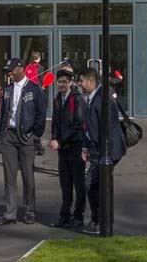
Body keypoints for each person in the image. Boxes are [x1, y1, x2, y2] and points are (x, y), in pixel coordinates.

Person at [0, 57, 47, 226]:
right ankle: (10, 212)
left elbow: (41, 113)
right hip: (8, 136)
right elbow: (4, 111)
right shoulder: (8, 89)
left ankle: (30, 210)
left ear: (21, 69)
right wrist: (1, 132)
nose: (9, 73)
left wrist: (35, 134)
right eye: (7, 71)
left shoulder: (33, 89)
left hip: (26, 136)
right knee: (9, 176)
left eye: (11, 70)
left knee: (28, 176)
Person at [79, 65, 127, 236]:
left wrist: (101, 152)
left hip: (106, 151)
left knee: (94, 185)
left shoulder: (103, 99)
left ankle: (101, 221)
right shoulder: (92, 98)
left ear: (91, 81)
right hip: (97, 149)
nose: (80, 84)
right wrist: (86, 146)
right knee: (94, 186)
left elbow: (108, 127)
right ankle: (99, 220)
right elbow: (88, 125)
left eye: (82, 81)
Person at [48, 68, 87, 229]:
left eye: (64, 81)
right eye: (59, 82)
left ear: (71, 82)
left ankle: (78, 216)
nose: (61, 84)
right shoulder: (58, 99)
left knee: (78, 183)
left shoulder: (77, 99)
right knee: (65, 183)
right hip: (63, 148)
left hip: (75, 147)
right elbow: (55, 121)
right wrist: (54, 138)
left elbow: (78, 124)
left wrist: (61, 141)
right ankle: (65, 215)